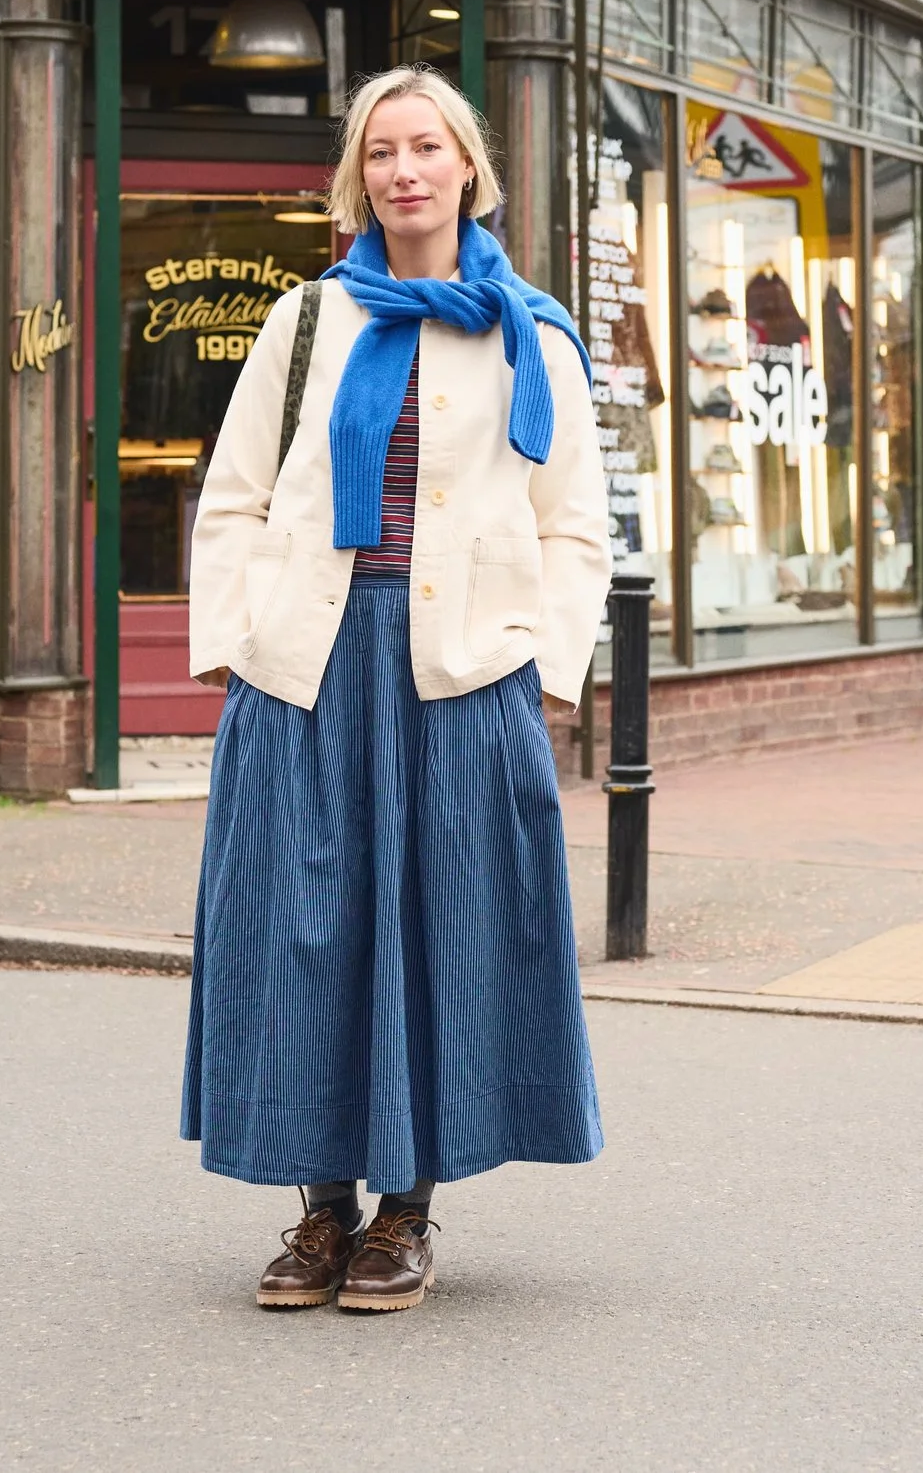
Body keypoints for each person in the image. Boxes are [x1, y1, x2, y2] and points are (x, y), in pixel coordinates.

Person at [180, 65, 613, 1314]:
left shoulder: (527, 334)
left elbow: (573, 523)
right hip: (306, 670)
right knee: (302, 933)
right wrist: (235, 644)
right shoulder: (306, 322)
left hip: (462, 675)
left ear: (467, 167)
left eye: (426, 147)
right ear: (357, 175)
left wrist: (545, 672)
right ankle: (318, 1211)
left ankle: (406, 1212)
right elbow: (233, 495)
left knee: (441, 937)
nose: (403, 170)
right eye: (380, 152)